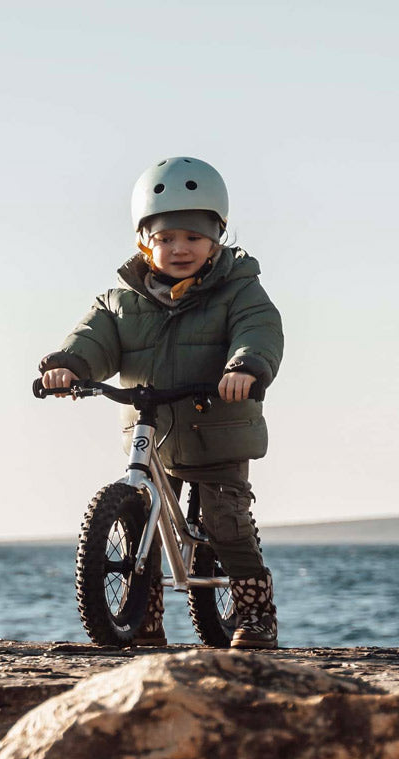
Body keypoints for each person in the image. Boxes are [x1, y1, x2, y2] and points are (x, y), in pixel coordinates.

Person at [38, 156, 284, 649]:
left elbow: (258, 329)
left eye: (193, 238)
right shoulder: (120, 301)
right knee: (138, 517)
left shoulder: (239, 290)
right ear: (143, 241)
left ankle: (255, 612)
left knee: (225, 520)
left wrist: (245, 367)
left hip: (218, 426)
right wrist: (68, 365)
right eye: (166, 238)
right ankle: (142, 618)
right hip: (150, 431)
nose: (179, 249)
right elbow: (92, 339)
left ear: (217, 239)